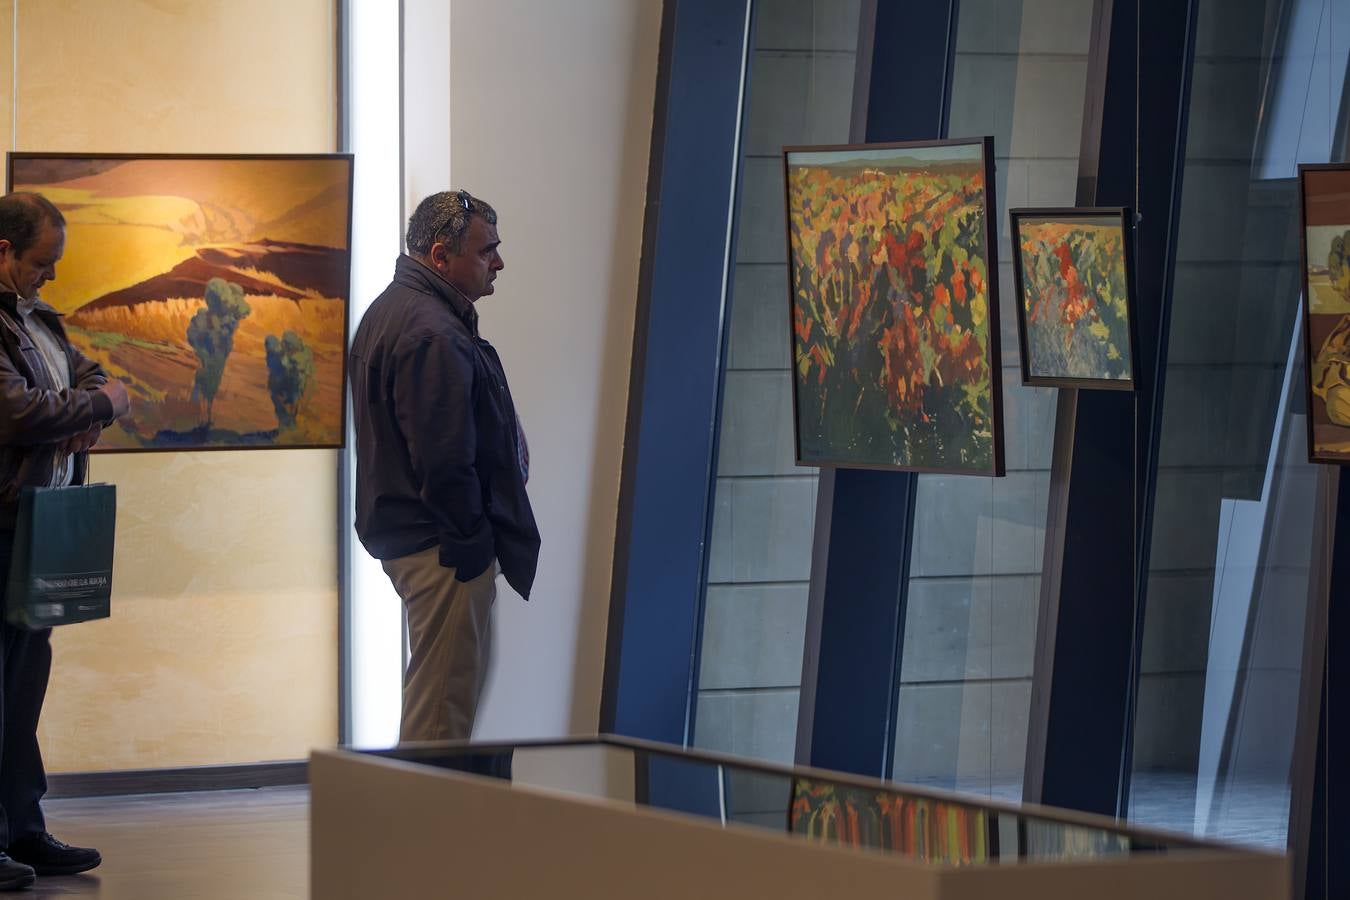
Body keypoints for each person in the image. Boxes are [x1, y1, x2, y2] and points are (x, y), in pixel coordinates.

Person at [349, 189, 540, 744]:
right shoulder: (430, 330)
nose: (499, 263)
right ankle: (423, 829)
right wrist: (471, 543)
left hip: (428, 543)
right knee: (441, 718)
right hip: (442, 550)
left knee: (446, 699)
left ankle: (426, 822)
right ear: (439, 256)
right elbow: (443, 457)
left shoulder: (400, 310)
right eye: (487, 251)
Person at [0, 192, 130, 890]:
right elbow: (17, 411)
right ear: (4, 252)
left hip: (39, 523)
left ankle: (23, 829)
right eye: (42, 263)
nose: (51, 276)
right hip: (4, 525)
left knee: (22, 691)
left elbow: (89, 376)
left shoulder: (37, 319)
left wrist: (89, 411)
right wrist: (97, 409)